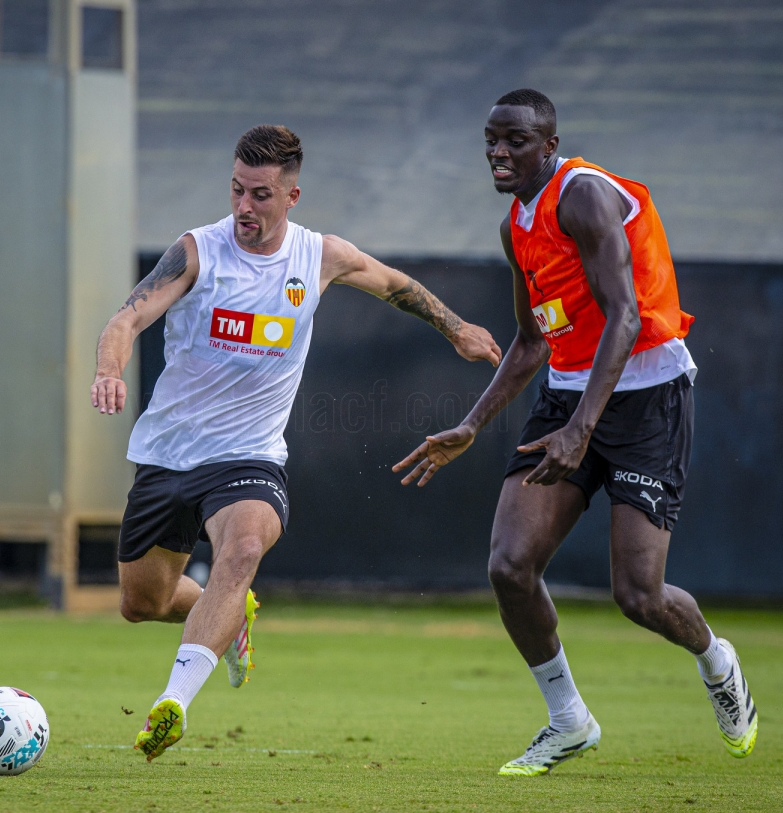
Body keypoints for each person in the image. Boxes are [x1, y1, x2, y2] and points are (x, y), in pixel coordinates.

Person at [92, 124, 502, 762]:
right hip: (168, 455)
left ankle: (172, 703)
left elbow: (393, 283)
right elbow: (129, 316)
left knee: (245, 545)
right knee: (142, 603)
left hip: (249, 457)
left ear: (291, 197)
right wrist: (108, 370)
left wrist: (455, 330)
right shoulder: (197, 251)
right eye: (236, 191)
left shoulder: (320, 256)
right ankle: (234, 619)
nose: (243, 208)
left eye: (259, 195)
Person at [393, 89, 757, 776]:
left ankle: (718, 659)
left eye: (516, 140)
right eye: (491, 139)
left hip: (646, 395)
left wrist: (581, 431)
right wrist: (472, 424)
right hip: (569, 393)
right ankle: (569, 720)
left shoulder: (582, 196)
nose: (499, 151)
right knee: (508, 564)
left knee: (639, 595)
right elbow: (532, 343)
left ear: (549, 145)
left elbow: (623, 316)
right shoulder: (515, 225)